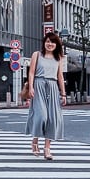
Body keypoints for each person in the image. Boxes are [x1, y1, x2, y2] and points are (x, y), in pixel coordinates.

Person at [24, 33, 67, 161]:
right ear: (44, 42)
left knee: (53, 119)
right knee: (41, 115)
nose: (50, 44)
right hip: (39, 85)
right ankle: (35, 140)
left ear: (56, 44)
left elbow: (60, 76)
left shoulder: (58, 58)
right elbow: (31, 72)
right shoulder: (37, 55)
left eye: (53, 42)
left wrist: (63, 93)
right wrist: (31, 87)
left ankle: (47, 148)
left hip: (53, 87)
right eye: (48, 41)